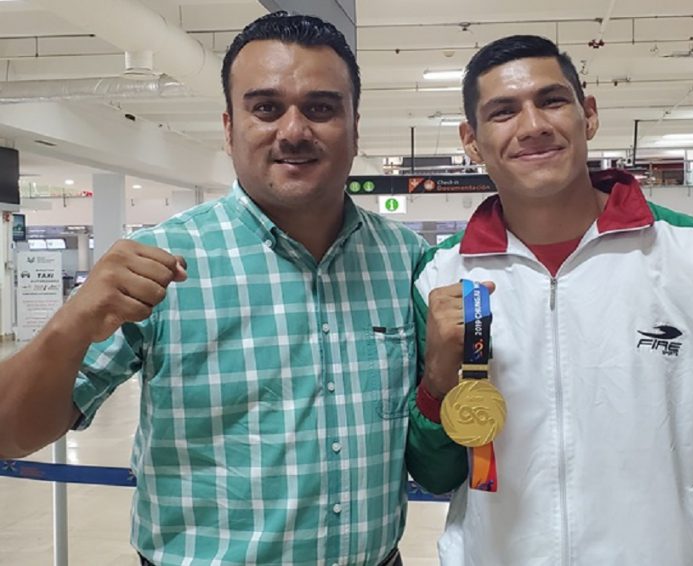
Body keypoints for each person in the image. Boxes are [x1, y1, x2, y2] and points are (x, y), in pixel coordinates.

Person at [0, 12, 450, 566]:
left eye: (321, 108)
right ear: (229, 127)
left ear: (355, 125)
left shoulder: (407, 261)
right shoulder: (160, 261)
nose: (293, 131)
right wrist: (69, 327)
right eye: (266, 108)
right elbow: (10, 434)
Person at [407, 34, 693, 566]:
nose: (533, 125)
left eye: (552, 100)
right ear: (472, 141)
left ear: (588, 115)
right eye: (503, 112)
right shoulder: (440, 277)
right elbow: (434, 473)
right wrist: (438, 381)